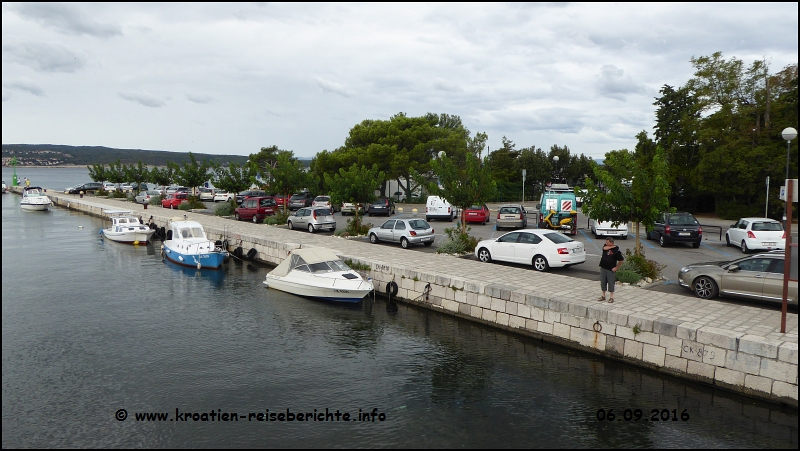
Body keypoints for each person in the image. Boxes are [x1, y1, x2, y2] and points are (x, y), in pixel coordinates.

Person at [598, 237, 624, 303]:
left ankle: (611, 297)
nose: (606, 243)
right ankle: (603, 295)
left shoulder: (616, 250)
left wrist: (616, 268)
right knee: (603, 282)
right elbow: (604, 248)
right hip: (603, 267)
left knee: (611, 283)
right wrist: (613, 246)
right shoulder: (606, 246)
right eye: (606, 242)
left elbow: (621, 259)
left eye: (607, 242)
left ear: (611, 243)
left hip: (611, 269)